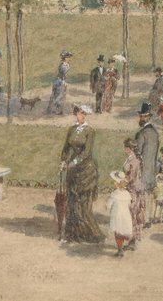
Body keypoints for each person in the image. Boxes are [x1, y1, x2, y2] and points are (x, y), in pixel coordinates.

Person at [59, 104, 104, 243]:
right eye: (80, 113)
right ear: (76, 114)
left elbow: (86, 152)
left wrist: (72, 163)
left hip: (86, 169)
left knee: (83, 202)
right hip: (73, 168)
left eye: (85, 114)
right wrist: (63, 161)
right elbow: (66, 148)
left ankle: (89, 234)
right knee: (71, 200)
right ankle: (72, 234)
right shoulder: (71, 129)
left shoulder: (90, 130)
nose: (82, 116)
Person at [133, 102, 159, 224]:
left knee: (141, 195)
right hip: (151, 169)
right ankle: (148, 219)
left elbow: (137, 152)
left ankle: (143, 219)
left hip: (143, 170)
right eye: (141, 116)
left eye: (143, 116)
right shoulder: (155, 132)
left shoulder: (142, 133)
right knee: (148, 195)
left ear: (148, 117)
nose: (141, 118)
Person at [122, 137, 145, 248]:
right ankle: (132, 240)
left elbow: (131, 177)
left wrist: (121, 182)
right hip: (132, 188)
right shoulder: (131, 158)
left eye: (125, 148)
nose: (124, 150)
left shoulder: (134, 160)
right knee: (132, 214)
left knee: (132, 213)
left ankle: (132, 241)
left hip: (133, 190)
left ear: (129, 148)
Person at [107, 171, 134, 257]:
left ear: (117, 184)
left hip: (117, 215)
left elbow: (108, 205)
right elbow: (129, 205)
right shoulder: (127, 194)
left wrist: (108, 207)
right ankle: (121, 247)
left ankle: (120, 249)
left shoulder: (115, 194)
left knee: (117, 232)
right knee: (122, 231)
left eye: (115, 182)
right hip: (125, 215)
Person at [46, 51, 72, 116]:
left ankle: (59, 111)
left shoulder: (66, 64)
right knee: (58, 97)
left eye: (69, 57)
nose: (69, 58)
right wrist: (64, 81)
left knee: (61, 96)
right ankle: (54, 111)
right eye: (68, 57)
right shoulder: (63, 65)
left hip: (62, 81)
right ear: (65, 58)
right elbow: (63, 74)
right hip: (59, 82)